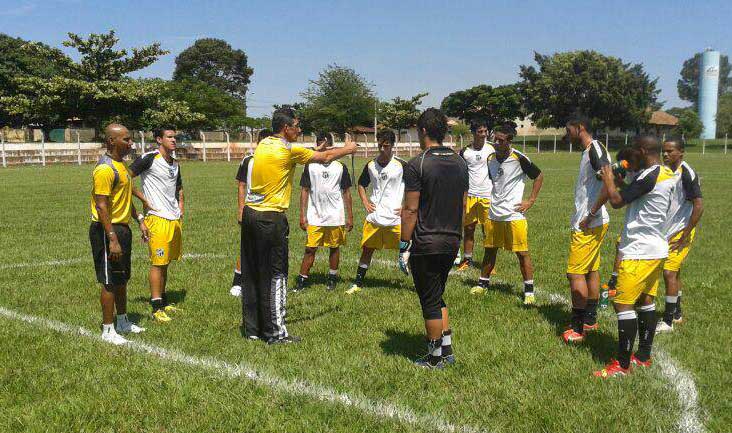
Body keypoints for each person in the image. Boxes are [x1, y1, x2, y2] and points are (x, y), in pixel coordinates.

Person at [240, 108, 356, 344]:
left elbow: (312, 153)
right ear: (286, 128)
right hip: (270, 220)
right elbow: (322, 159)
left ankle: (252, 329)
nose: (300, 129)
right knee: (276, 274)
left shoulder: (265, 145)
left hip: (251, 214)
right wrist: (348, 149)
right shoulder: (287, 150)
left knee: (252, 273)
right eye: (296, 125)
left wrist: (320, 150)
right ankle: (276, 332)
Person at [593, 135, 675, 378]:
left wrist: (609, 180)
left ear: (641, 150)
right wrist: (618, 182)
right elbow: (633, 194)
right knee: (646, 302)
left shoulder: (648, 175)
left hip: (640, 251)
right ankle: (643, 356)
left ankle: (622, 365)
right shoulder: (664, 173)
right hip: (656, 248)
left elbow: (617, 201)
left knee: (623, 304)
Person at [399, 108, 468, 369]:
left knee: (428, 300)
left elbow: (410, 210)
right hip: (451, 240)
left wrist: (404, 245)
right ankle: (446, 350)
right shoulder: (461, 162)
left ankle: (434, 358)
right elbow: (462, 204)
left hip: (426, 242)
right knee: (437, 295)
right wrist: (458, 238)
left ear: (424, 131)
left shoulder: (418, 164)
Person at [89, 123, 150, 345]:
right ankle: (107, 330)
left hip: (122, 229)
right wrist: (112, 238)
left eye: (131, 139)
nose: (130, 143)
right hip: (107, 230)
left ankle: (123, 321)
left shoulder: (121, 166)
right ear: (111, 141)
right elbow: (102, 205)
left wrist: (140, 220)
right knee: (109, 281)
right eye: (126, 139)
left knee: (121, 278)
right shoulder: (105, 169)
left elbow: (123, 197)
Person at [474, 122, 543, 305]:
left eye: (500, 140)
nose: (496, 143)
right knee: (489, 250)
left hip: (514, 215)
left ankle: (529, 290)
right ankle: (483, 283)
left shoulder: (519, 158)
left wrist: (530, 200)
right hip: (494, 214)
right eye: (494, 139)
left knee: (522, 253)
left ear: (509, 141)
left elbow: (539, 176)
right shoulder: (490, 159)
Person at [562, 116, 611, 343]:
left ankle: (578, 327)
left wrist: (590, 213)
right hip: (594, 222)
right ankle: (590, 319)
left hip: (588, 223)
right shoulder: (591, 150)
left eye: (568, 129)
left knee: (575, 273)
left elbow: (609, 182)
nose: (567, 134)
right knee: (591, 269)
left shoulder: (594, 150)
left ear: (579, 127)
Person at [129, 127, 184, 323]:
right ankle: (156, 307)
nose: (173, 140)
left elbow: (178, 187)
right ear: (159, 139)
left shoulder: (175, 163)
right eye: (169, 137)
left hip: (173, 219)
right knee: (158, 263)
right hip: (156, 219)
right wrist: (143, 198)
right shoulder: (149, 158)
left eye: (175, 137)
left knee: (166, 262)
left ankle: (164, 299)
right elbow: (125, 178)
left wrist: (181, 207)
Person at [347, 130, 406, 295]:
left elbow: (415, 187)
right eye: (380, 145)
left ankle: (418, 285)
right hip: (375, 217)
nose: (382, 149)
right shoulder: (370, 165)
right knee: (367, 249)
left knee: (408, 250)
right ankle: (358, 282)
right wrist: (365, 201)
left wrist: (405, 206)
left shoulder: (402, 165)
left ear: (393, 146)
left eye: (386, 146)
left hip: (395, 218)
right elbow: (360, 184)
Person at [294, 133, 354, 292]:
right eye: (320, 144)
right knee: (310, 248)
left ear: (332, 146)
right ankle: (302, 280)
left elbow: (346, 192)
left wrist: (350, 217)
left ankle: (332, 278)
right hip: (315, 216)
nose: (323, 148)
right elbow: (304, 191)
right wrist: (302, 215)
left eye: (326, 144)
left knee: (334, 247)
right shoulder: (310, 165)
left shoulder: (341, 167)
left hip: (336, 215)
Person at [656, 138, 703, 332]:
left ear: (681, 152)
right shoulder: (665, 171)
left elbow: (699, 207)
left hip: (680, 233)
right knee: (674, 274)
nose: (665, 154)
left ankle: (667, 321)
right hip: (665, 232)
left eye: (670, 151)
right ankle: (677, 313)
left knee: (668, 273)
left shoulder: (687, 174)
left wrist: (685, 234)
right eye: (663, 151)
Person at [231, 129, 272, 298]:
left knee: (268, 247)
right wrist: (241, 209)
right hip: (251, 209)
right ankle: (237, 282)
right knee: (247, 246)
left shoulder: (275, 160)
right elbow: (241, 185)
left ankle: (262, 282)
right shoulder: (248, 161)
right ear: (257, 143)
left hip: (270, 210)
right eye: (262, 142)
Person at [456, 120, 495, 273]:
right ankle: (467, 259)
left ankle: (490, 264)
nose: (484, 134)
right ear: (473, 133)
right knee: (469, 229)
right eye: (480, 132)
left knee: (488, 231)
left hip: (487, 195)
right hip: (470, 195)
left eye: (485, 131)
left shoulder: (492, 149)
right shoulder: (465, 152)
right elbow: (460, 174)